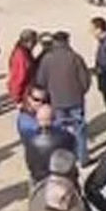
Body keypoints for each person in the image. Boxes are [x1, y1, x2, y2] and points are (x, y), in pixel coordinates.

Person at [35, 31, 92, 166]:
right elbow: (85, 80)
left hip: (57, 101)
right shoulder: (75, 57)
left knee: (60, 131)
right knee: (79, 129)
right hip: (75, 99)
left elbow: (41, 81)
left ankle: (65, 158)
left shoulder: (47, 59)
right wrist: (81, 92)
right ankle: (83, 158)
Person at [23, 104, 76, 184]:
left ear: (37, 119)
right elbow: (72, 156)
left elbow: (29, 163)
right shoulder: (66, 137)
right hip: (62, 180)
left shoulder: (30, 141)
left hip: (39, 180)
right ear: (54, 118)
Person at [6, 29, 38, 106]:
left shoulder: (23, 51)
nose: (35, 45)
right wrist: (17, 98)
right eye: (34, 42)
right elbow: (19, 78)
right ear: (27, 42)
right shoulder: (21, 56)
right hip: (24, 94)